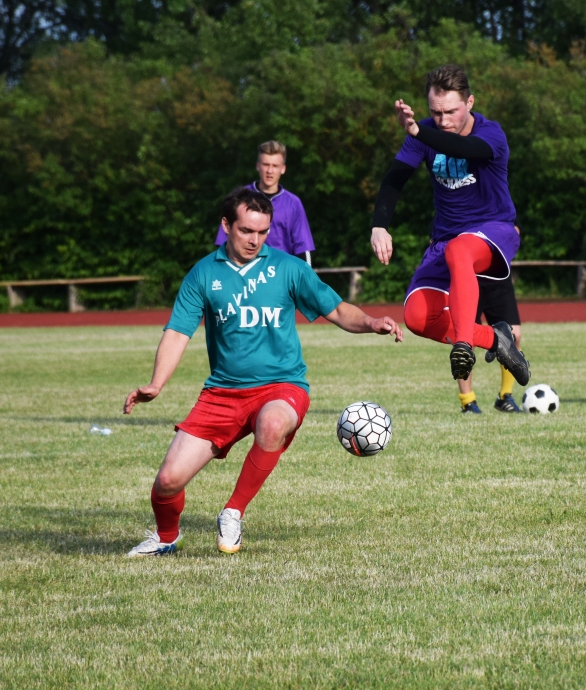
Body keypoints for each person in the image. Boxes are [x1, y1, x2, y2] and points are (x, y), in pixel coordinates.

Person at [125, 188, 403, 557]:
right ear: (226, 226)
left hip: (281, 387)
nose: (255, 240)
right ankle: (166, 538)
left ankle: (233, 511)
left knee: (272, 423)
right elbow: (177, 332)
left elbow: (335, 309)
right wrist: (156, 384)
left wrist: (371, 322)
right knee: (167, 482)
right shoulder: (204, 274)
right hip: (222, 394)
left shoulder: (289, 268)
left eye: (262, 231)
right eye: (246, 231)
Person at [369, 64, 529, 386]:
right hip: (445, 238)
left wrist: (417, 131)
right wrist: (379, 226)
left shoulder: (490, 133)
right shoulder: (425, 132)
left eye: (451, 112)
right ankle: (496, 339)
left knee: (461, 249)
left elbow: (464, 149)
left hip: (493, 230)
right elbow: (394, 180)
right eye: (435, 112)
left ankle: (463, 345)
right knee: (416, 316)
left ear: (470, 103)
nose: (443, 121)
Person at [214, 140, 315, 265]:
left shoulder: (293, 203)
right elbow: (223, 242)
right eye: (266, 164)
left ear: (283, 169)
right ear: (258, 166)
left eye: (275, 166)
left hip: (280, 274)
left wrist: (306, 279)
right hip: (244, 272)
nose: (270, 171)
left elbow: (303, 247)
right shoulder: (239, 198)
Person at [457, 277, 523, 413]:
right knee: (467, 338)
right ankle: (467, 402)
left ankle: (505, 397)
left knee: (513, 335)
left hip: (498, 279)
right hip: (469, 279)